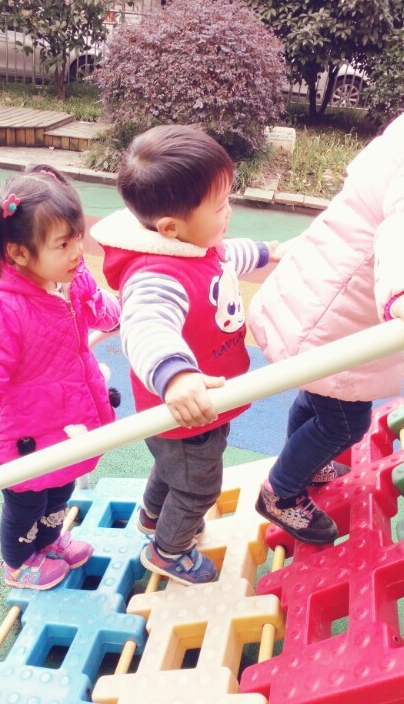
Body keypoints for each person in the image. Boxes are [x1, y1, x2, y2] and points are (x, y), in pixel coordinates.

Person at [91, 124, 280, 585]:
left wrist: (264, 252)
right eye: (219, 206)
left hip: (198, 406)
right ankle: (169, 550)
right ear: (170, 228)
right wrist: (176, 376)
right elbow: (146, 326)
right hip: (187, 407)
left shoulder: (196, 247)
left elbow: (226, 258)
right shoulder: (156, 276)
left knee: (172, 466)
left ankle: (153, 515)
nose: (228, 212)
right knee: (199, 487)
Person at [0, 164, 121, 590]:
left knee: (60, 491)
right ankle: (18, 563)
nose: (77, 252)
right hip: (26, 435)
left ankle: (50, 543)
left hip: (67, 419)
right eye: (63, 244)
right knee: (26, 505)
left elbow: (96, 303)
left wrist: (121, 311)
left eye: (78, 238)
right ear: (20, 253)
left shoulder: (69, 277)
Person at [249, 103, 404, 545]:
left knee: (320, 393)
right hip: (340, 302)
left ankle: (306, 467)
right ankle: (281, 492)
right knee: (346, 422)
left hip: (330, 284)